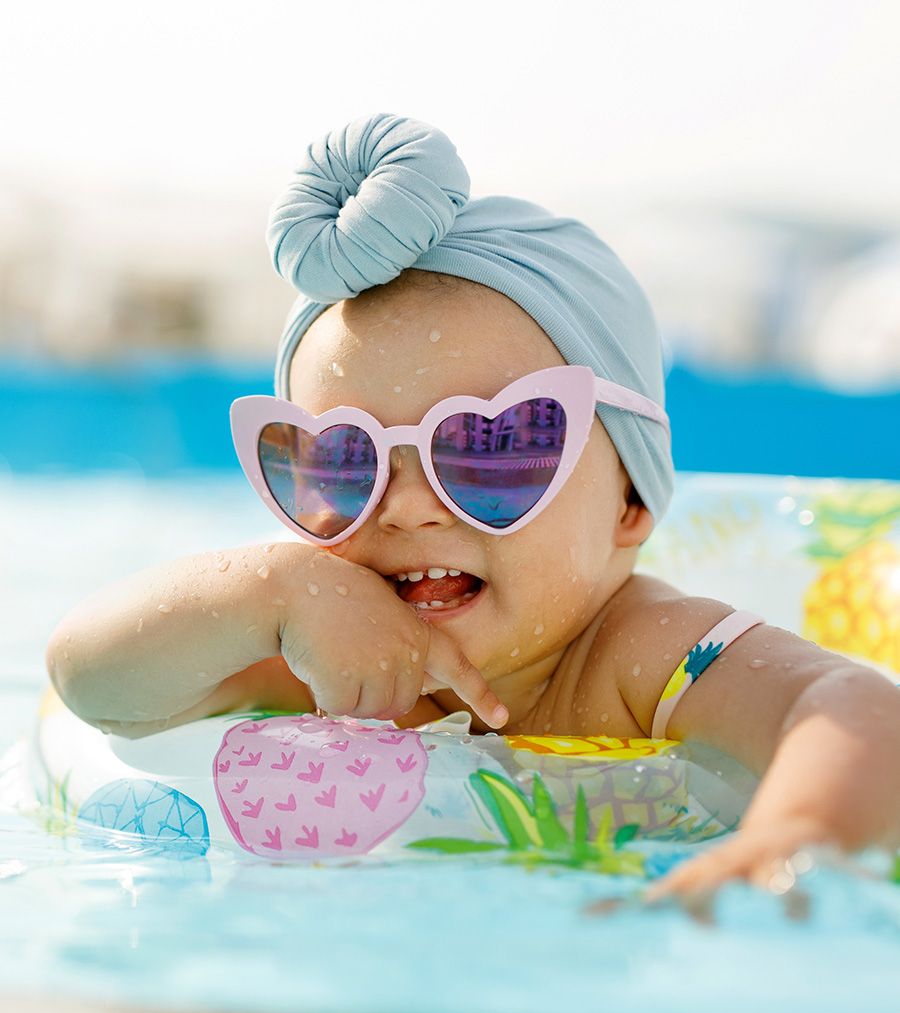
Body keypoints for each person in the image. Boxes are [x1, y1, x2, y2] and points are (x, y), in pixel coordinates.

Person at [45, 114, 900, 895]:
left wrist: (800, 832)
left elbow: (847, 706)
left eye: (493, 446)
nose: (408, 507)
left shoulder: (641, 656)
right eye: (347, 462)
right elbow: (91, 677)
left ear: (630, 503)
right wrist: (274, 590)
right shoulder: (320, 653)